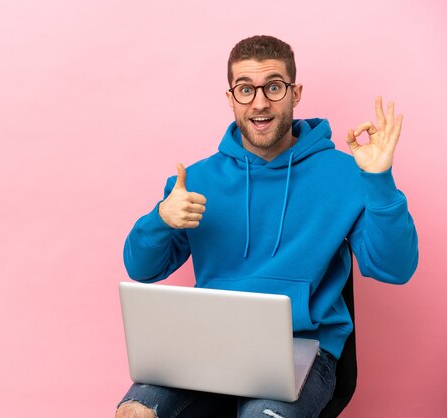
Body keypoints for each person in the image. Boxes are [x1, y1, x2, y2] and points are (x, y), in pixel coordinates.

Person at [115, 35, 418, 418]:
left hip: (301, 347)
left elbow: (395, 268)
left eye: (273, 87)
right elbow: (141, 269)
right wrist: (160, 220)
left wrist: (379, 180)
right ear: (231, 99)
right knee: (134, 412)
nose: (260, 102)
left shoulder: (346, 174)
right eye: (246, 89)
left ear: (295, 93)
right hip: (208, 342)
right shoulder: (195, 180)